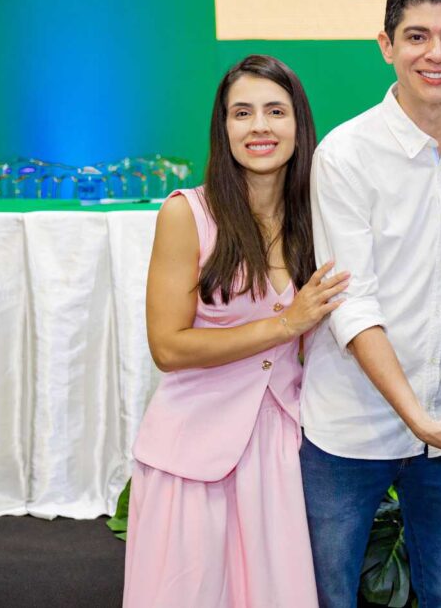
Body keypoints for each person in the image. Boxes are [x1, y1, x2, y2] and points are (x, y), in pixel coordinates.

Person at [300, 0, 441, 607]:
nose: (436, 53)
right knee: (331, 595)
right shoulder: (345, 154)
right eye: (417, 36)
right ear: (386, 45)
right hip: (353, 426)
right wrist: (417, 419)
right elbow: (352, 302)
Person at [124, 54, 349, 607]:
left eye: (275, 111)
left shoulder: (318, 220)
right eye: (242, 113)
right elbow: (168, 346)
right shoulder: (188, 214)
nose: (259, 127)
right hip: (192, 451)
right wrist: (285, 324)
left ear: (299, 124)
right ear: (223, 127)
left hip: (280, 450)